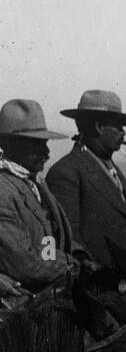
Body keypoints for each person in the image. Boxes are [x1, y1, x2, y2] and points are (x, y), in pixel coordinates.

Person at [0, 99, 92, 299]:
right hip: (22, 308)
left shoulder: (35, 183)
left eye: (45, 144)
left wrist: (79, 255)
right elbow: (25, 264)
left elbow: (47, 240)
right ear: (10, 145)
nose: (47, 153)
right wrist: (74, 266)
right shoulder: (3, 192)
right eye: (36, 145)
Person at [46, 90, 126, 266]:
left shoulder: (109, 167)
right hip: (103, 282)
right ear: (99, 127)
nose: (123, 133)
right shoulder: (65, 173)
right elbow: (70, 238)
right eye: (118, 126)